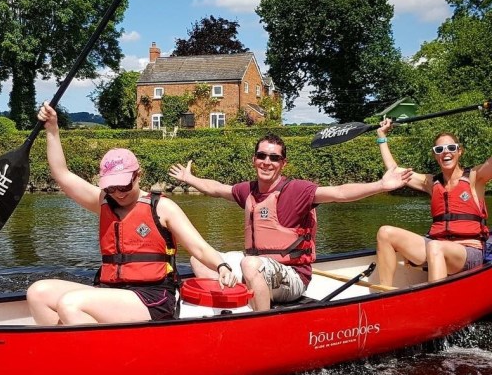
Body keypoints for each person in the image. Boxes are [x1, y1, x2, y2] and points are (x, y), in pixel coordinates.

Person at [27, 102, 238, 326]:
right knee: (38, 293)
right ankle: (65, 356)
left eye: (124, 186)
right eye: (111, 188)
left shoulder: (161, 207)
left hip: (153, 298)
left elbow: (200, 248)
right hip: (111, 291)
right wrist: (52, 128)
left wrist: (222, 266)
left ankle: (96, 357)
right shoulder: (103, 202)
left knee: (71, 303)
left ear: (138, 175)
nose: (118, 194)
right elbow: (62, 174)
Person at [168, 133, 412, 311]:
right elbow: (217, 189)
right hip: (257, 268)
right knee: (199, 260)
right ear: (254, 160)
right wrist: (190, 178)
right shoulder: (249, 190)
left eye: (274, 158)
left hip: (292, 278)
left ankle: (260, 325)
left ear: (283, 163)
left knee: (250, 264)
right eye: (262, 156)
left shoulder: (297, 190)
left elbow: (339, 193)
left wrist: (381, 185)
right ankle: (240, 304)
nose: (267, 162)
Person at [374, 118, 491, 286]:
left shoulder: (475, 177)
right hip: (436, 247)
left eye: (451, 148)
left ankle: (436, 303)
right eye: (439, 149)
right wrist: (381, 136)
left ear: (459, 151)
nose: (446, 152)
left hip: (469, 252)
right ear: (435, 155)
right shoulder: (430, 182)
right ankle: (384, 294)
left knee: (436, 247)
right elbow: (393, 170)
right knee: (385, 233)